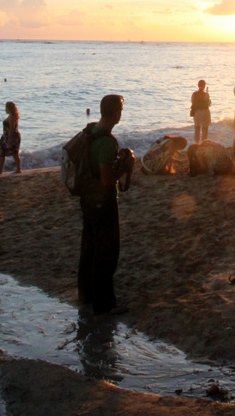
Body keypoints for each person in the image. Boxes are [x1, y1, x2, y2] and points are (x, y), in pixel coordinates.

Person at [77, 94, 128, 315]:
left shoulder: (91, 132)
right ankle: (104, 304)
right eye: (121, 109)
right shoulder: (108, 141)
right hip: (104, 201)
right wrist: (125, 168)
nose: (121, 113)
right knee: (107, 253)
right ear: (116, 113)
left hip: (87, 199)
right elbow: (107, 178)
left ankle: (85, 294)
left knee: (89, 247)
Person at [0, 101, 21, 175]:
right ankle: (0, 170)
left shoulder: (12, 117)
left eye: (6, 107)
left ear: (9, 108)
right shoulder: (12, 116)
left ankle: (18, 169)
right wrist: (2, 138)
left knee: (10, 153)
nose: (5, 109)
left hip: (12, 137)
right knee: (5, 153)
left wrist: (9, 139)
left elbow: (12, 129)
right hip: (8, 136)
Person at [190, 79, 211, 143]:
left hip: (197, 113)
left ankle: (197, 144)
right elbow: (209, 104)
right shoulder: (206, 94)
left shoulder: (194, 94)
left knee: (197, 129)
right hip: (205, 112)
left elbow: (193, 103)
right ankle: (204, 144)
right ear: (204, 86)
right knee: (205, 130)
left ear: (198, 85)